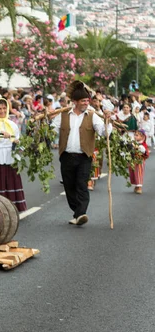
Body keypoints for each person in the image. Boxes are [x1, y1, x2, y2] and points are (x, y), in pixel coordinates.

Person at [51, 81, 110, 226]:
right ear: (75, 102)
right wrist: (45, 127)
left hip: (84, 156)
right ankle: (77, 213)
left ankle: (82, 213)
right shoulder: (63, 115)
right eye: (83, 101)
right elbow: (52, 129)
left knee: (81, 184)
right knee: (69, 186)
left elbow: (103, 132)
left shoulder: (92, 115)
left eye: (87, 100)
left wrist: (108, 122)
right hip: (66, 156)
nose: (86, 103)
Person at [129, 129, 149, 194]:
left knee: (138, 173)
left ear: (142, 137)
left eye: (137, 135)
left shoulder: (143, 144)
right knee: (133, 172)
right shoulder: (134, 142)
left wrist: (138, 147)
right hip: (133, 160)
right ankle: (136, 186)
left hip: (139, 160)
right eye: (135, 135)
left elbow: (145, 152)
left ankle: (139, 187)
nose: (135, 136)